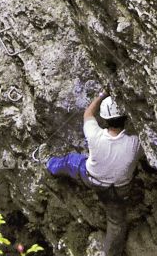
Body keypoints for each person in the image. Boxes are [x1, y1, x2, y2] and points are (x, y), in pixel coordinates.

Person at [45, 90, 141, 256]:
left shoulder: (95, 135)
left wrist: (102, 95)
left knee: (70, 161)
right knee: (116, 223)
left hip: (93, 179)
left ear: (104, 119)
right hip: (120, 189)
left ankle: (49, 165)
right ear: (125, 118)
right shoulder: (135, 143)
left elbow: (88, 113)